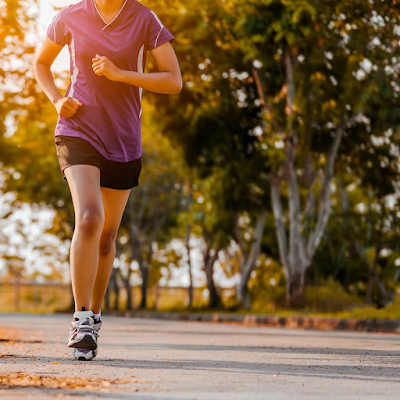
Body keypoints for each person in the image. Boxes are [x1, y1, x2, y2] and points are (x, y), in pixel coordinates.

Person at [33, 0, 182, 361]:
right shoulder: (70, 15)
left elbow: (173, 82)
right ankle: (81, 319)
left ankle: (94, 316)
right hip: (77, 130)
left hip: (123, 139)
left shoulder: (144, 18)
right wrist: (56, 99)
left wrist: (121, 74)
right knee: (88, 217)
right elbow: (40, 64)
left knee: (107, 237)